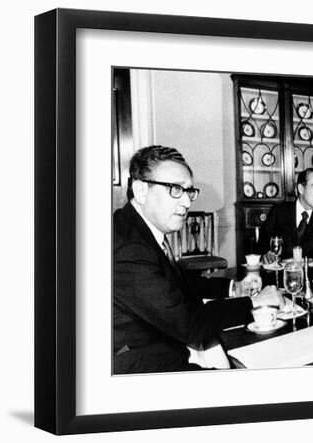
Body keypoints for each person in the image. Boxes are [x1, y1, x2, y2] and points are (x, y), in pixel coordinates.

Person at [113, 145, 283, 374]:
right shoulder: (127, 247)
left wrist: (234, 288)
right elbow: (187, 323)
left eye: (189, 192)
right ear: (141, 191)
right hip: (138, 366)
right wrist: (254, 302)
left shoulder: (138, 229)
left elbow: (179, 283)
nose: (186, 202)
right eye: (175, 189)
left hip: (162, 345)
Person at [258, 168, 313, 261]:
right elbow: (262, 245)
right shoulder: (279, 212)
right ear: (301, 189)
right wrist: (267, 254)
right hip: (281, 273)